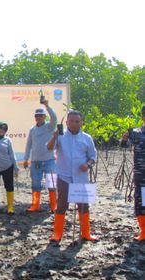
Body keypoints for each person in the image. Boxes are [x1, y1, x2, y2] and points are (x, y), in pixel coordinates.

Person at [47, 110, 98, 242]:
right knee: (62, 205)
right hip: (64, 177)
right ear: (66, 122)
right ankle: (57, 233)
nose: (74, 124)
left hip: (81, 178)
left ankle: (86, 233)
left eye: (77, 121)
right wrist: (54, 137)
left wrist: (88, 164)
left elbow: (93, 157)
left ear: (81, 123)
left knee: (83, 205)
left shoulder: (87, 138)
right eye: (71, 121)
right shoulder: (60, 136)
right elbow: (49, 148)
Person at [23, 99, 57, 213]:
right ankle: (35, 205)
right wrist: (25, 159)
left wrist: (47, 106)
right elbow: (28, 145)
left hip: (49, 161)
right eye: (37, 116)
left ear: (44, 117)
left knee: (52, 184)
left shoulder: (49, 127)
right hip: (35, 162)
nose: (38, 117)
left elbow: (54, 118)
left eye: (41, 116)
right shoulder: (32, 130)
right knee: (35, 184)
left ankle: (53, 206)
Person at [120, 105, 145, 241]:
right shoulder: (136, 132)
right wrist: (124, 139)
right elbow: (125, 146)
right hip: (141, 174)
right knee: (141, 201)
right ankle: (144, 231)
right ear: (142, 116)